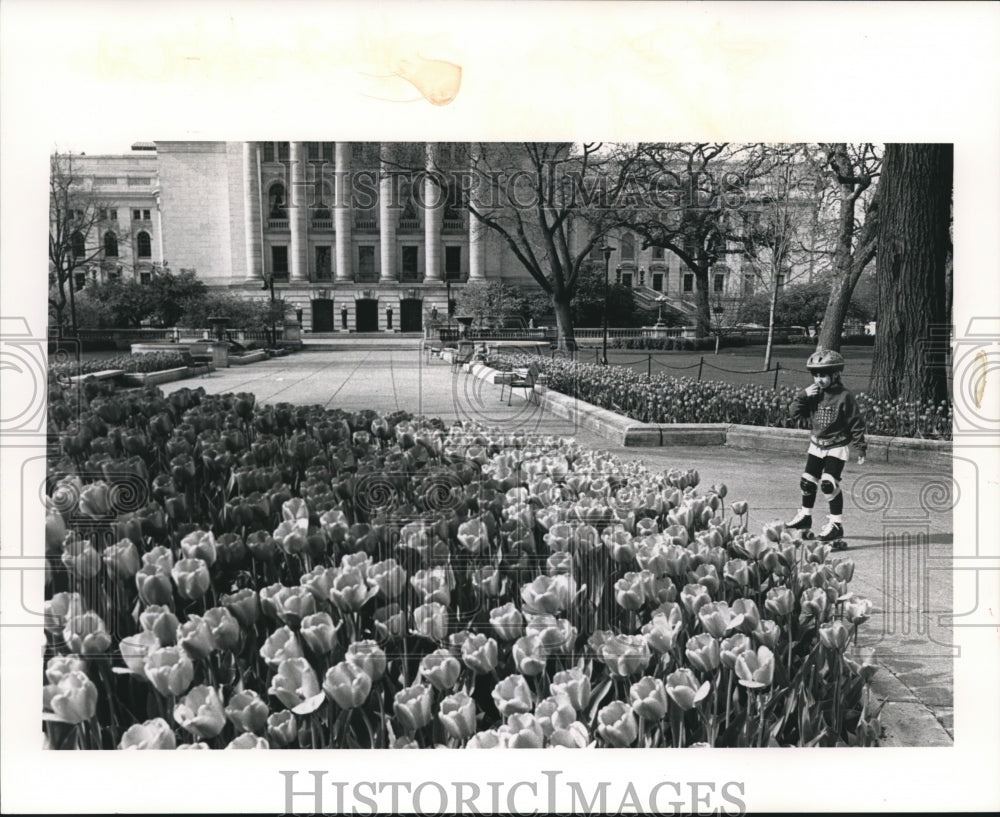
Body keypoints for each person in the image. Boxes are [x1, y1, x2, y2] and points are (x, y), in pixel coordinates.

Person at [785, 349, 867, 542]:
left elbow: (856, 422)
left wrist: (860, 446)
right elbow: (794, 414)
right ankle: (805, 516)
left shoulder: (845, 396)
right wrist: (802, 396)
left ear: (835, 374)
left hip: (836, 446)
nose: (818, 379)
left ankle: (836, 525)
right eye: (815, 375)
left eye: (823, 375)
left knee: (829, 483)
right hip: (816, 445)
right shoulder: (813, 393)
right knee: (807, 482)